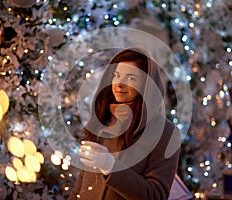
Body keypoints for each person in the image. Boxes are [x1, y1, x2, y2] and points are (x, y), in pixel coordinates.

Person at [69, 48, 181, 200]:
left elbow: (156, 195)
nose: (120, 83)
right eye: (116, 75)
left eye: (131, 78)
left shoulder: (165, 132)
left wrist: (111, 166)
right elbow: (82, 184)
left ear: (147, 85)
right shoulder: (103, 121)